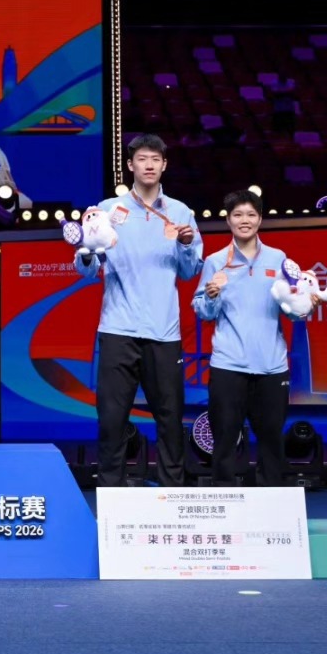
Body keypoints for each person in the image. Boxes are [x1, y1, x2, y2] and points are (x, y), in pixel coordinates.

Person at [74, 134, 202, 487]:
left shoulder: (181, 212)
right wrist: (86, 250)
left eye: (155, 159)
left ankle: (172, 491)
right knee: (112, 418)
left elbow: (190, 271)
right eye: (142, 159)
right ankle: (111, 492)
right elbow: (87, 269)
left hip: (164, 331)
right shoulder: (107, 209)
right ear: (130, 165)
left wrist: (186, 245)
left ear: (164, 165)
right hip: (118, 328)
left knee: (170, 417)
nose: (149, 165)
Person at [192, 190, 295, 487]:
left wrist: (302, 301)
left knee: (271, 441)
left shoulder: (278, 258)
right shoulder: (215, 261)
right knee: (224, 441)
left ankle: (271, 500)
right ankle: (224, 499)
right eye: (237, 215)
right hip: (228, 365)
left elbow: (292, 308)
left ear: (260, 219)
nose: (244, 220)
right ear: (228, 220)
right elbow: (202, 311)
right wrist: (211, 296)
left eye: (251, 214)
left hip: (272, 366)